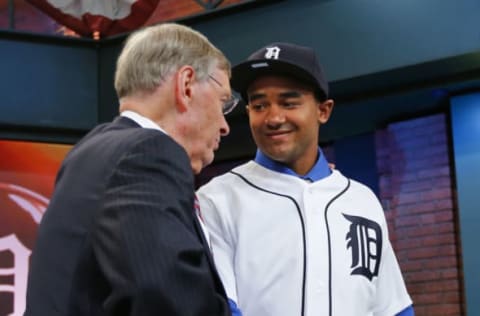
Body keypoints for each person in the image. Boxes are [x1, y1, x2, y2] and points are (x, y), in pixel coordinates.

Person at [24, 23, 239, 316]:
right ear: (186, 85)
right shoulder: (148, 153)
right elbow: (169, 300)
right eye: (223, 101)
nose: (225, 126)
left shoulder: (91, 149)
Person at [197, 42, 415, 316]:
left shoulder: (361, 200)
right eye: (259, 104)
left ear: (323, 110)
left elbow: (393, 307)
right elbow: (221, 308)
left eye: (289, 103)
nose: (273, 118)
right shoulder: (216, 200)